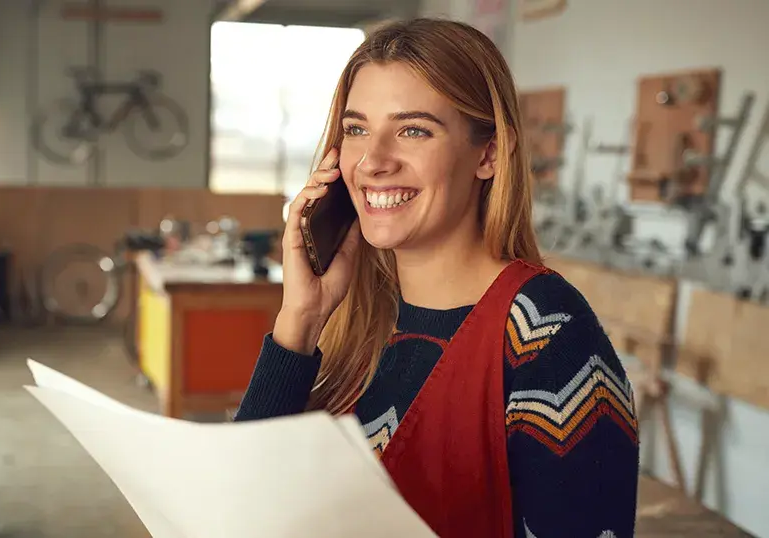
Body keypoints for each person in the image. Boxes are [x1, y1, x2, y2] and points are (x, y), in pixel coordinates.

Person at [233, 18, 640, 538]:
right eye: (356, 129)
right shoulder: (358, 320)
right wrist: (301, 318)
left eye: (413, 130)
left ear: (489, 154)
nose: (372, 162)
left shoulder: (546, 336)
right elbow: (242, 501)